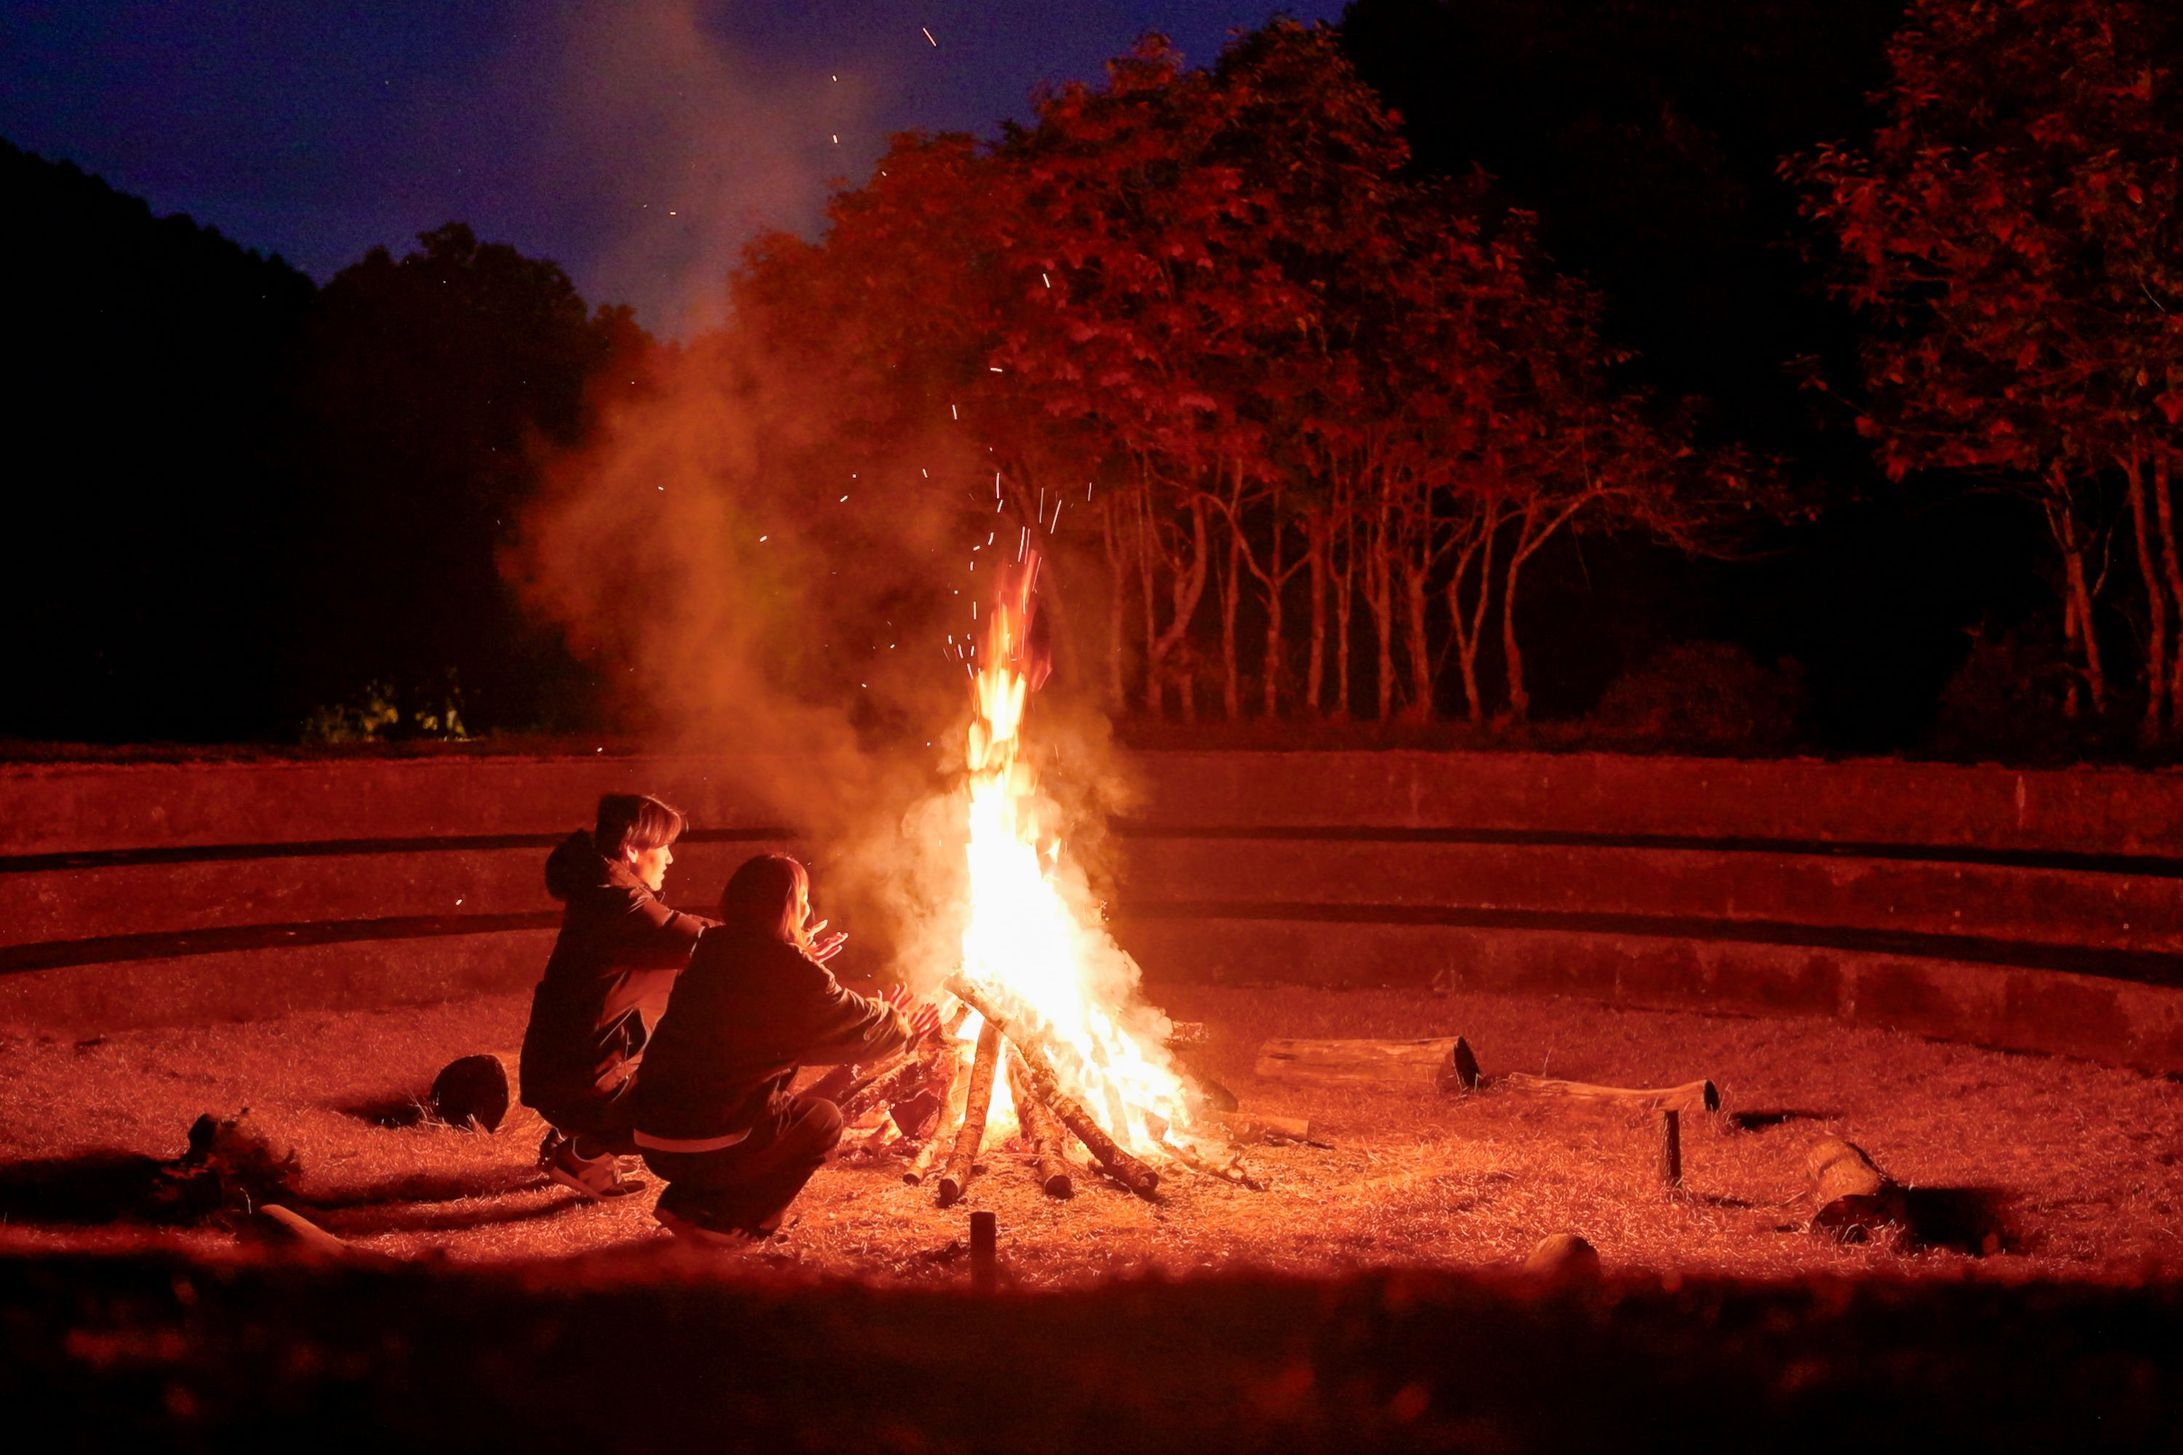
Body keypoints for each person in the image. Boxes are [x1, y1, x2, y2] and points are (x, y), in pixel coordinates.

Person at [633, 853, 940, 1245]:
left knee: (757, 1111)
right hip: (713, 1141)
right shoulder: (795, 973)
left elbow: (755, 992)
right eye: (804, 900)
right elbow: (854, 1025)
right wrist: (901, 1026)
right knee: (822, 1120)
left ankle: (682, 1202)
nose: (809, 909)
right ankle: (737, 1221)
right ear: (789, 907)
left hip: (654, 1136)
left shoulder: (709, 950)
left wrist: (798, 955)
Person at [519, 793, 716, 1197]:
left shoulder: (604, 894)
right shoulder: (620, 905)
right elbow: (698, 939)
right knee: (708, 1098)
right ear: (631, 850)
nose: (670, 859)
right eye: (663, 848)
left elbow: (687, 933)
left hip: (561, 1078)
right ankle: (585, 1149)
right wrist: (780, 943)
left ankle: (582, 1144)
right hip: (580, 1086)